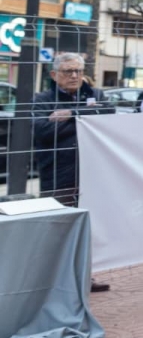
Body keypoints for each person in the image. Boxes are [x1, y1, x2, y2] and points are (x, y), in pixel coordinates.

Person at [32, 53, 116, 292]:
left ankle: (84, 277)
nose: (74, 75)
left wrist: (71, 114)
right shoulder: (43, 100)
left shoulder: (94, 94)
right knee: (58, 229)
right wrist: (85, 119)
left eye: (78, 70)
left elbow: (109, 113)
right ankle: (55, 283)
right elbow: (43, 131)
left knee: (87, 228)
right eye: (68, 71)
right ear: (54, 75)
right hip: (58, 174)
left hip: (91, 173)